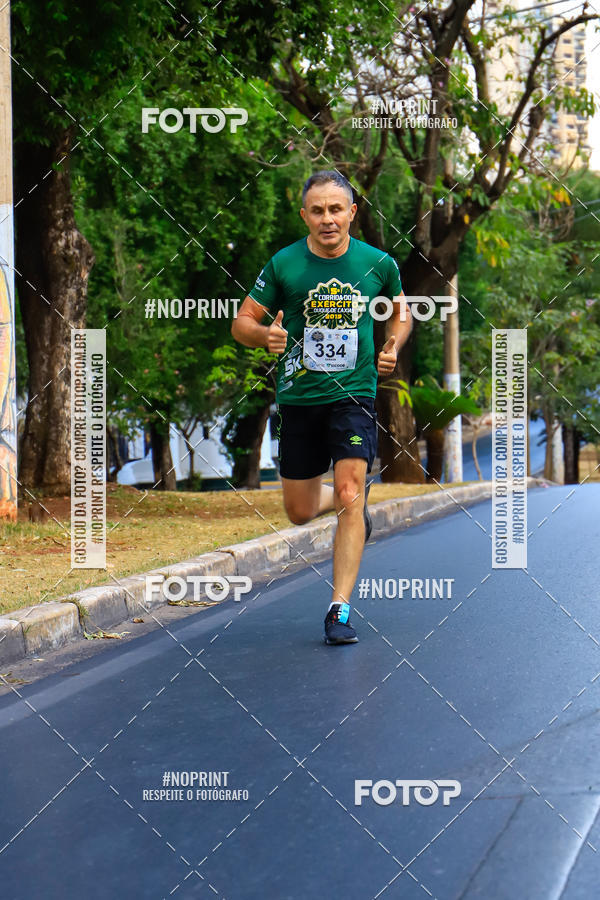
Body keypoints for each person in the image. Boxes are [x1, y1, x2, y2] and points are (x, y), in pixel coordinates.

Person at [231, 170, 412, 644]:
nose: (327, 219)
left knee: (351, 489)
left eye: (336, 209)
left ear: (352, 212)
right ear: (304, 215)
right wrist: (263, 334)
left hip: (354, 393)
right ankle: (348, 505)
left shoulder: (379, 263)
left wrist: (393, 342)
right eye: (318, 210)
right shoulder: (284, 264)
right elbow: (242, 322)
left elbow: (400, 309)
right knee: (299, 510)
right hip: (299, 397)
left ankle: (340, 611)